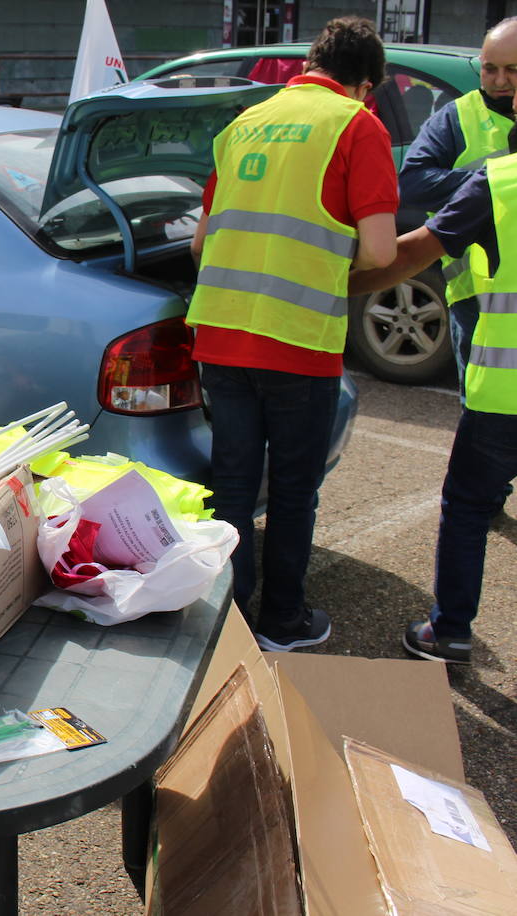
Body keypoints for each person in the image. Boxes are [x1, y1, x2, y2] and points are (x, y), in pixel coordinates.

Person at [186, 17, 399, 652]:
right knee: (292, 491)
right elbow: (382, 251)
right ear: (366, 84)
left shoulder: (244, 123)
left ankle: (228, 621)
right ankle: (283, 621)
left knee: (231, 483)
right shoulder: (358, 125)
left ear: (309, 64)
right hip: (297, 340)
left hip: (220, 334)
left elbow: (201, 243)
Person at [350, 155, 517, 665]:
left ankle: (448, 634)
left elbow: (410, 256)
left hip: (505, 396)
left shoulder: (502, 181)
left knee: (468, 507)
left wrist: (325, 286)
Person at [400, 18, 517, 387]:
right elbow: (413, 183)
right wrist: (492, 185)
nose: (499, 81)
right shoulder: (458, 116)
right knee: (482, 406)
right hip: (475, 298)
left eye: (513, 70)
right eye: (490, 69)